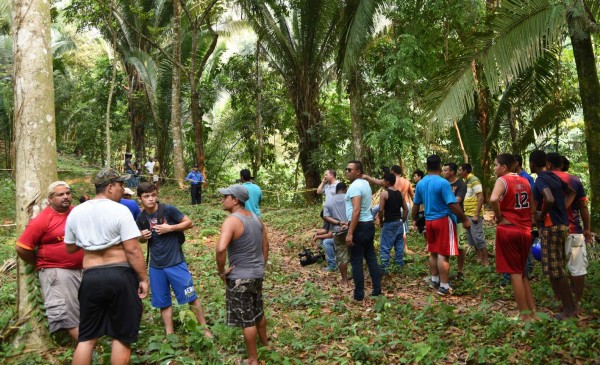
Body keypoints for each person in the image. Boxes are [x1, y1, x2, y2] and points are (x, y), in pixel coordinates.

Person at [64, 168, 148, 365]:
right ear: (110, 187)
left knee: (87, 337)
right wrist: (143, 278)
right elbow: (133, 250)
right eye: (120, 185)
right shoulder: (120, 210)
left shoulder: (77, 211)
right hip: (120, 276)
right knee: (121, 336)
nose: (122, 189)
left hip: (91, 277)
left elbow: (69, 247)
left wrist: (91, 240)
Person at [136, 182, 213, 337]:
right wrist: (141, 237)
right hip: (156, 266)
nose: (151, 199)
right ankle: (170, 334)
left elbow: (189, 223)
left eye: (153, 195)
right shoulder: (142, 217)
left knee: (191, 296)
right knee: (163, 301)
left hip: (176, 262)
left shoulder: (168, 210)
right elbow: (141, 240)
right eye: (146, 196)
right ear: (140, 199)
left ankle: (205, 330)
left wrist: (170, 228)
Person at [16, 181, 84, 341]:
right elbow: (22, 247)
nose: (66, 197)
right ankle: (89, 352)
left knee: (81, 311)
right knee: (68, 315)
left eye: (68, 193)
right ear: (50, 198)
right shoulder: (43, 219)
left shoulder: (76, 213)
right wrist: (41, 262)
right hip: (57, 272)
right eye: (60, 194)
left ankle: (85, 348)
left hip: (81, 269)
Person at [216, 185, 269, 365]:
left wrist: (221, 271)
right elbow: (266, 245)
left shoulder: (231, 221)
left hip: (240, 276)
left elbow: (221, 248)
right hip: (256, 273)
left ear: (235, 200)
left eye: (226, 197)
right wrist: (261, 265)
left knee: (247, 320)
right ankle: (265, 343)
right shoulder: (256, 218)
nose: (223, 200)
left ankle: (253, 359)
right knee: (258, 310)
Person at [412, 155, 470, 296]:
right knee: (443, 254)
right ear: (439, 166)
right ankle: (444, 286)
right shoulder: (443, 183)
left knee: (433, 252)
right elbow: (452, 204)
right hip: (443, 220)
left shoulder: (421, 183)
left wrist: (414, 219)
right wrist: (464, 219)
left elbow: (416, 204)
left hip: (429, 221)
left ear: (426, 167)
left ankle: (434, 279)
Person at [529, 150, 577, 319]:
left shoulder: (541, 179)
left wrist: (542, 216)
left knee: (557, 270)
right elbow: (572, 192)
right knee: (558, 268)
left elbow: (548, 199)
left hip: (551, 228)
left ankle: (569, 310)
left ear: (533, 164)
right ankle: (568, 306)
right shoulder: (555, 177)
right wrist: (562, 208)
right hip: (562, 225)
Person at [489, 154, 537, 321]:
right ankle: (532, 312)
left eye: (496, 165)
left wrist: (498, 215)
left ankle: (524, 316)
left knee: (515, 273)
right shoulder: (525, 181)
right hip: (525, 231)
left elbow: (494, 198)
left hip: (509, 230)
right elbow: (532, 208)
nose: (494, 168)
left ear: (504, 167)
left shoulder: (502, 180)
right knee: (522, 272)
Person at [547, 153, 591, 305]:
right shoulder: (574, 180)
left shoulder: (544, 179)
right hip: (573, 229)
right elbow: (583, 207)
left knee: (555, 267)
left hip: (552, 229)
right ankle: (576, 301)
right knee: (577, 267)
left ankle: (559, 298)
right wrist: (587, 229)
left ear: (548, 164)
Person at [345, 160, 381, 302]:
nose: (347, 172)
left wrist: (350, 232)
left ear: (358, 171)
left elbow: (357, 209)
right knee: (371, 258)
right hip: (368, 224)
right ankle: (377, 290)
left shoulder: (355, 187)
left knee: (356, 261)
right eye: (346, 169)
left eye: (350, 170)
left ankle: (359, 295)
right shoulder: (365, 183)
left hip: (359, 226)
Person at [377, 173, 409, 275]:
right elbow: (406, 209)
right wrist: (402, 220)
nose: (383, 182)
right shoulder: (400, 194)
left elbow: (381, 210)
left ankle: (384, 268)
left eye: (384, 180)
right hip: (399, 222)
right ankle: (399, 265)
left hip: (389, 223)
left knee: (385, 246)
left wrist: (381, 221)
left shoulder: (384, 194)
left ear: (387, 182)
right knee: (399, 245)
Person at [459, 163, 488, 266]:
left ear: (466, 171)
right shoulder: (466, 181)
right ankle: (479, 256)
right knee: (472, 237)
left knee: (478, 237)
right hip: (467, 213)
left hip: (474, 214)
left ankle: (486, 260)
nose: (459, 172)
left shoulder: (474, 180)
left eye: (460, 170)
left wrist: (476, 214)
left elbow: (480, 197)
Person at [442, 162, 467, 280]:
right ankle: (444, 271)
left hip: (458, 218)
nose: (443, 172)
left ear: (452, 172)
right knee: (444, 245)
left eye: (445, 170)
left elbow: (456, 201)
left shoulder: (461, 184)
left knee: (461, 245)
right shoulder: (443, 183)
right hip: (445, 218)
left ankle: (460, 271)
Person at [323, 182, 351, 286]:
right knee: (355, 253)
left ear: (336, 190)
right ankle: (357, 276)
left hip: (338, 231)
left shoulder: (329, 201)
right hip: (351, 229)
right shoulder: (349, 198)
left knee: (341, 255)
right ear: (345, 189)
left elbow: (325, 216)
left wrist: (338, 222)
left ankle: (345, 280)